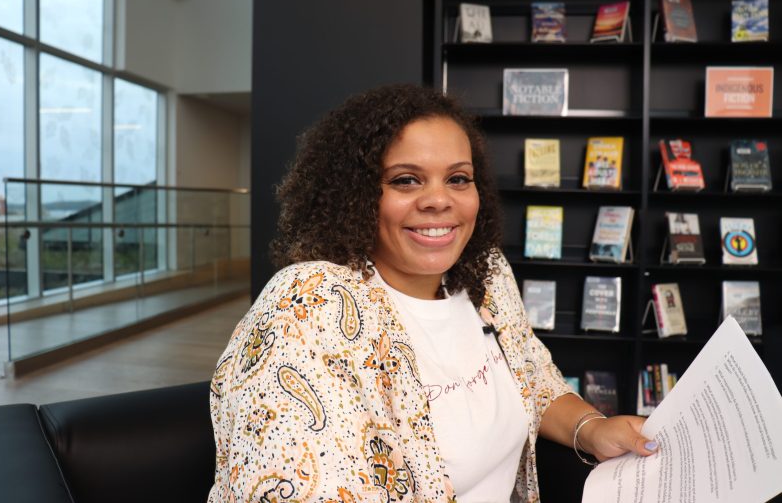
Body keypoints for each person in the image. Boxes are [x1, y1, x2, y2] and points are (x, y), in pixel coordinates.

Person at [208, 84, 658, 502]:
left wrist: (591, 428)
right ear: (354, 194)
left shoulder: (486, 274)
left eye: (458, 179)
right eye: (406, 180)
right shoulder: (310, 305)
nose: (438, 200)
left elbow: (533, 379)